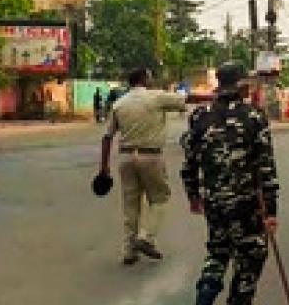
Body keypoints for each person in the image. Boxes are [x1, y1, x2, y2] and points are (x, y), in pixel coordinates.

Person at [181, 62, 279, 305]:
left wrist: (193, 194)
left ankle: (206, 289)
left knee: (218, 249)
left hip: (213, 200)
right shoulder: (254, 116)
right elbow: (265, 167)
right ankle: (238, 300)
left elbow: (190, 161)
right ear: (242, 85)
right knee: (252, 255)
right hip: (246, 202)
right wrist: (271, 210)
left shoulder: (200, 115)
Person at [98, 68, 188, 265]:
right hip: (150, 156)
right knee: (160, 198)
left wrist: (104, 168)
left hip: (126, 157)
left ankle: (129, 250)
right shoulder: (156, 97)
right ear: (145, 79)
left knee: (130, 203)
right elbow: (184, 101)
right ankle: (146, 237)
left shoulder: (119, 103)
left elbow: (107, 137)